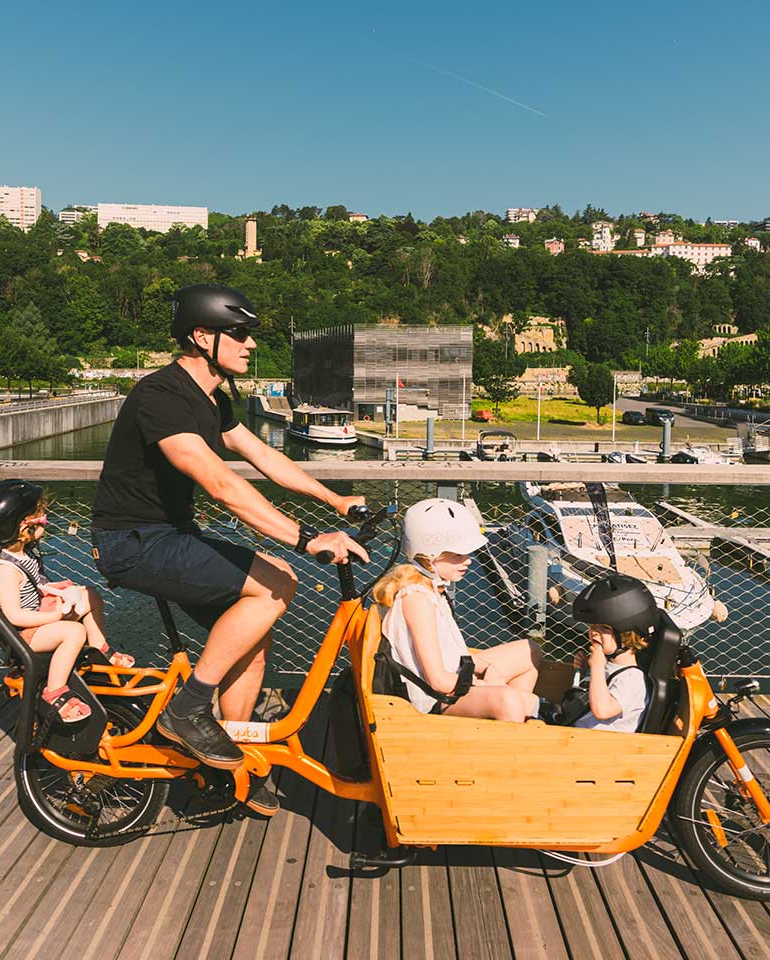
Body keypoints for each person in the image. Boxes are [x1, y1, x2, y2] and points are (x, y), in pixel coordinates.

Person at [90, 283, 366, 815]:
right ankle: (189, 708)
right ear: (201, 336)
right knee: (278, 582)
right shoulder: (161, 396)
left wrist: (334, 500)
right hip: (131, 542)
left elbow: (262, 455)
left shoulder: (215, 397)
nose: (250, 345)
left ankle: (231, 759)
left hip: (170, 537)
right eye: (238, 334)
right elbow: (220, 484)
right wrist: (308, 539)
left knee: (252, 639)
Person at [374, 498, 552, 722]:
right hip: (432, 699)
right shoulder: (417, 601)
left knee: (530, 651)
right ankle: (515, 729)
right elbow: (437, 681)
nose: (467, 561)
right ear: (429, 557)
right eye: (457, 555)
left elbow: (451, 654)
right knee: (508, 700)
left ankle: (518, 722)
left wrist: (487, 668)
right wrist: (485, 684)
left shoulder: (431, 588)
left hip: (452, 676)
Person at [0, 479, 133, 723]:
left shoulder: (23, 554)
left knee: (91, 595)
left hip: (38, 618)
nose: (46, 518)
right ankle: (55, 690)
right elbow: (15, 616)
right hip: (23, 634)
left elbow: (32, 589)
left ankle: (101, 648)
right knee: (74, 632)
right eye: (40, 514)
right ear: (23, 526)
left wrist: (55, 593)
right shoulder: (4, 570)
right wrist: (56, 616)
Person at [569, 573, 652, 732]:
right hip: (572, 729)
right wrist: (586, 669)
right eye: (592, 626)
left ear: (627, 635)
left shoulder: (632, 679)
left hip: (591, 744)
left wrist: (597, 668)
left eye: (604, 628)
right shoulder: (608, 663)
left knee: (510, 699)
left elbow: (603, 710)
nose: (594, 632)